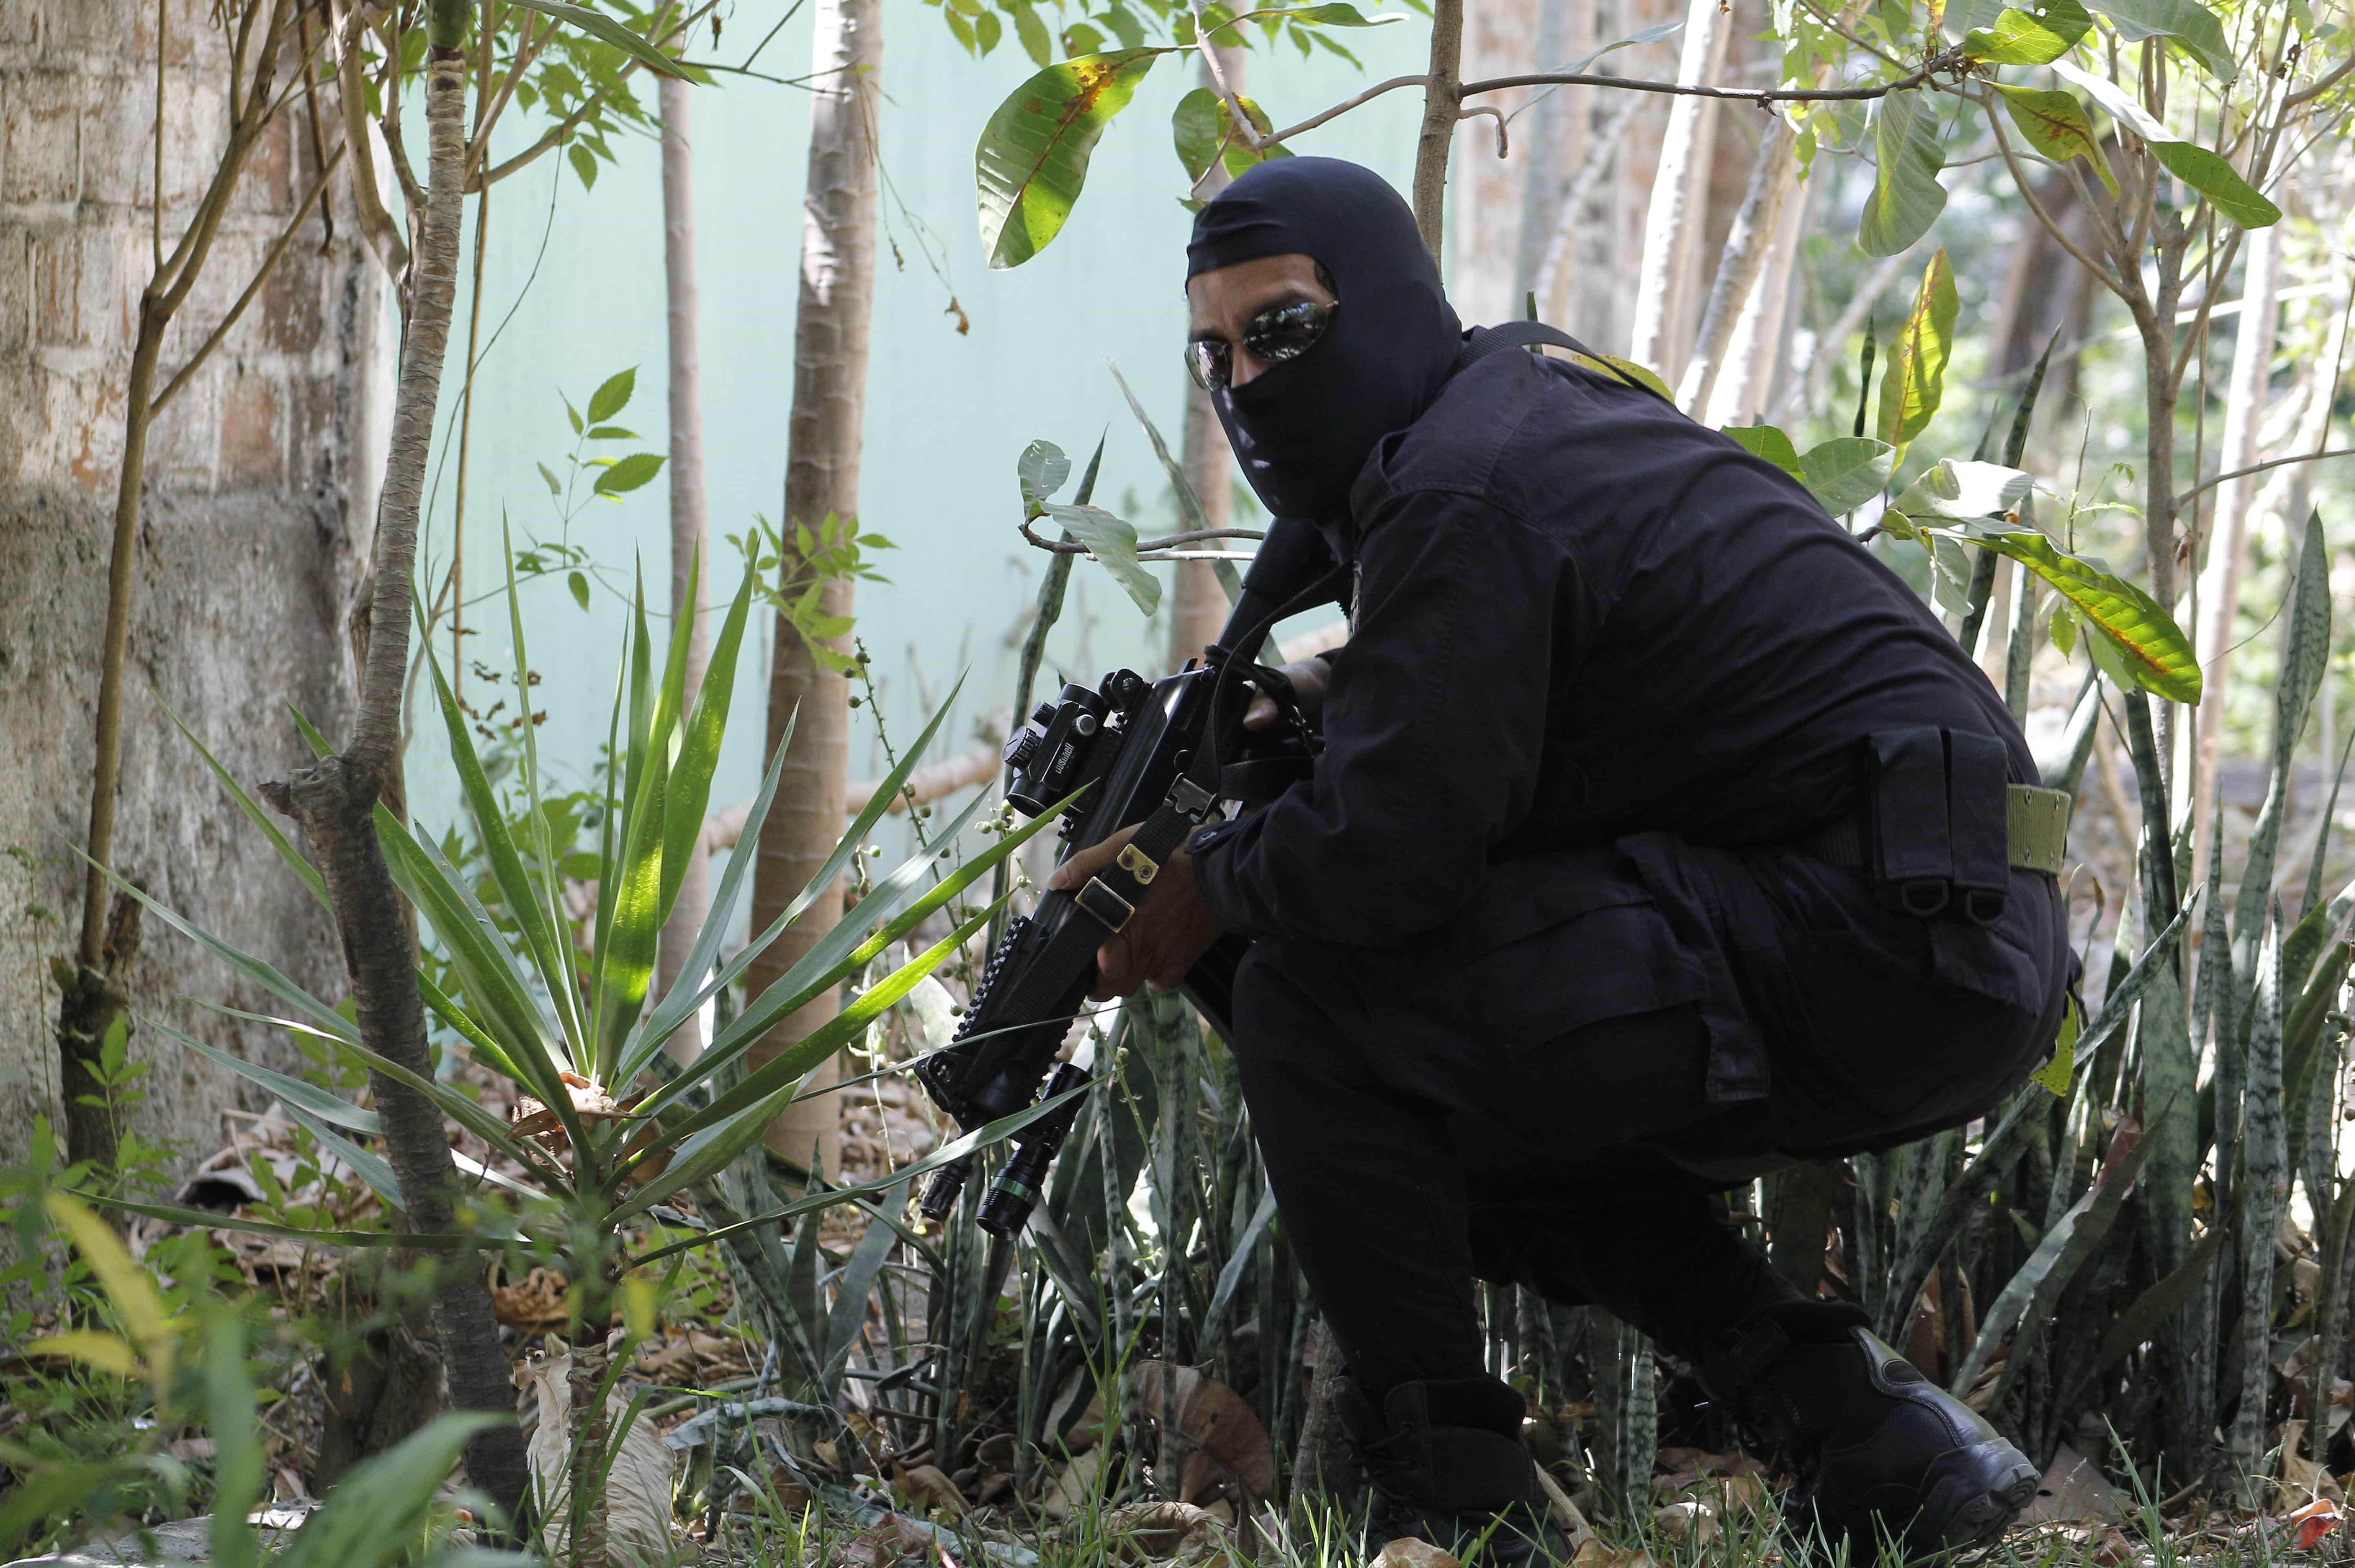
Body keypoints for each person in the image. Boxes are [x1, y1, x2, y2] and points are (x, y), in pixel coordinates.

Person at [1048, 157, 2070, 1564]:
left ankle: (1454, 1511)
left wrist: (1206, 887)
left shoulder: (1463, 483)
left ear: (1392, 300)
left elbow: (1386, 859)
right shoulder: (1518, 402)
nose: (1246, 381)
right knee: (1452, 1093)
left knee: (1312, 999)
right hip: (1925, 925)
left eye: (1284, 329)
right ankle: (1867, 1431)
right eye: (1213, 351)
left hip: (1873, 929)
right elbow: (1538, 670)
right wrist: (1302, 704)